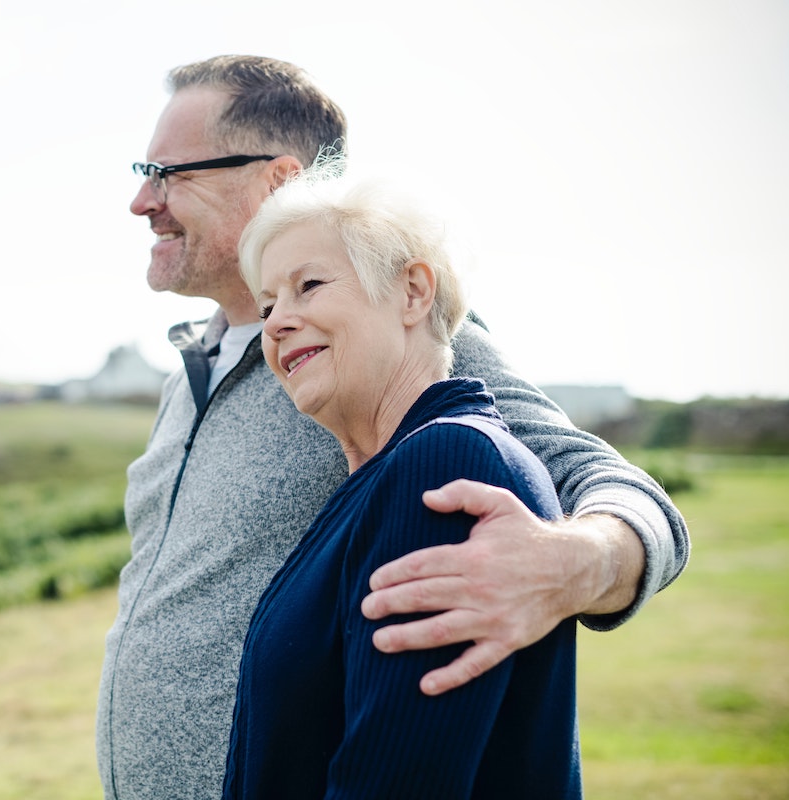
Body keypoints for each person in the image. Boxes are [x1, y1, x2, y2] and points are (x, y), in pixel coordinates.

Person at [96, 54, 688, 800]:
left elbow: (609, 484)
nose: (141, 200)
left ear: (280, 180)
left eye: (167, 171)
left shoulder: (390, 336)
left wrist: (580, 563)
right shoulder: (191, 370)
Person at [223, 167, 579, 798]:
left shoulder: (444, 464)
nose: (277, 323)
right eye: (270, 303)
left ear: (413, 292)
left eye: (309, 286)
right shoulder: (376, 483)